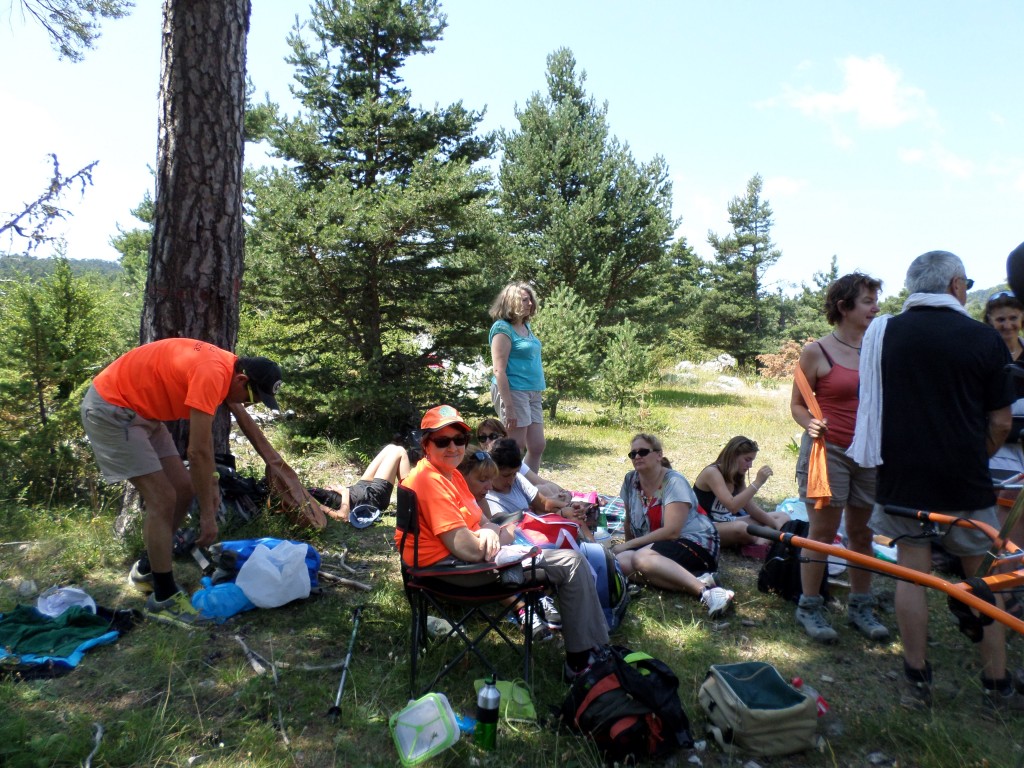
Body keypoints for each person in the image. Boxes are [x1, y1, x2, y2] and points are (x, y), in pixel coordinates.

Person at [853, 250, 1022, 712]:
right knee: (985, 581)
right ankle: (997, 684)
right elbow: (1002, 423)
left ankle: (916, 680)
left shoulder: (884, 334)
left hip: (902, 475)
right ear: (954, 287)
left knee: (913, 576)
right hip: (964, 479)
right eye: (965, 283)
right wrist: (975, 455)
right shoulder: (983, 339)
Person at [397, 405, 609, 680]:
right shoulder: (429, 481)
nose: (453, 447)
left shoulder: (451, 475)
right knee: (570, 562)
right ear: (426, 443)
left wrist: (488, 531)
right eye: (442, 441)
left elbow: (484, 521)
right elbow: (468, 548)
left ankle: (595, 648)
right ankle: (582, 663)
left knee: (567, 557)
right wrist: (491, 533)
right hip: (451, 571)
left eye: (459, 440)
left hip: (465, 561)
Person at [80, 338, 283, 626]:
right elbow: (198, 451)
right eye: (251, 396)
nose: (248, 404)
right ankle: (163, 597)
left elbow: (203, 456)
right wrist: (208, 517)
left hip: (143, 413)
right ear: (241, 378)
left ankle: (148, 569)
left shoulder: (224, 370)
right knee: (162, 498)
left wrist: (211, 482)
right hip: (113, 410)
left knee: (184, 489)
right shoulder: (213, 374)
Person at [790, 272, 890, 643]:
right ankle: (810, 607)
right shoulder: (817, 351)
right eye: (868, 301)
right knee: (823, 534)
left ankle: (861, 605)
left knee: (862, 533)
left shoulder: (878, 349)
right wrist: (811, 423)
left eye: (875, 300)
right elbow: (798, 405)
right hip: (828, 452)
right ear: (844, 306)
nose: (876, 307)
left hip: (869, 452)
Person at [611, 434, 734, 619]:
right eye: (632, 454)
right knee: (621, 563)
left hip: (695, 543)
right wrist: (627, 547)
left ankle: (706, 592)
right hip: (657, 547)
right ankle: (699, 579)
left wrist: (628, 546)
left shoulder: (673, 481)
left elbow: (672, 531)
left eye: (643, 452)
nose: (637, 457)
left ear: (659, 455)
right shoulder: (630, 480)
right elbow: (628, 519)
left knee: (640, 559)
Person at [457, 447, 562, 639]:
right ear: (460, 477)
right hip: (469, 569)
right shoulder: (455, 503)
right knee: (512, 559)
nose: (488, 486)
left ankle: (536, 601)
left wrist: (500, 533)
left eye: (490, 479)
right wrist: (502, 533)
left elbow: (492, 527)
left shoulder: (477, 501)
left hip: (489, 557)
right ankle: (524, 608)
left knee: (520, 555)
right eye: (482, 480)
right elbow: (482, 542)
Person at [488, 282, 546, 473]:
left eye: (530, 299)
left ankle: (528, 488)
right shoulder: (502, 328)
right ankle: (503, 487)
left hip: (533, 391)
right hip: (513, 390)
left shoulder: (525, 326)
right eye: (524, 299)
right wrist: (509, 407)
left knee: (537, 445)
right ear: (511, 302)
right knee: (515, 446)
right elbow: (499, 370)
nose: (530, 303)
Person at [692, 436, 788, 549]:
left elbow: (750, 508)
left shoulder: (737, 475)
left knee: (782, 516)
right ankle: (762, 541)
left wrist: (775, 525)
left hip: (728, 521)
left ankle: (760, 544)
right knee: (741, 528)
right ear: (733, 456)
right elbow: (733, 506)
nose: (750, 465)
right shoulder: (712, 473)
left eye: (752, 460)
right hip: (706, 525)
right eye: (747, 460)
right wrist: (757, 483)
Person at [485, 438, 583, 525]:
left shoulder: (517, 479)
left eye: (514, 474)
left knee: (573, 514)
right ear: (491, 470)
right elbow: (503, 521)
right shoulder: (487, 495)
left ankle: (589, 544)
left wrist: (571, 506)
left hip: (533, 525)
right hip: (518, 535)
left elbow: (544, 504)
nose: (511, 480)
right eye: (506, 475)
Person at [308, 443, 411, 522]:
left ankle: (412, 502)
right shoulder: (314, 505)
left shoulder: (304, 495)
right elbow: (342, 516)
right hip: (373, 497)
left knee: (390, 447)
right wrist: (344, 492)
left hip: (360, 487)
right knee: (399, 451)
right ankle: (412, 505)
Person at [476, 417, 570, 502]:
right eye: (482, 438)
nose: (488, 442)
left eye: (493, 436)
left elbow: (539, 481)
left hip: (524, 503)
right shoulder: (478, 465)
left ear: (504, 437)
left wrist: (564, 492)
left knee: (546, 489)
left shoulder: (512, 461)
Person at [984, 290, 1024, 477]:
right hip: (998, 453)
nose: (1008, 325)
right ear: (990, 320)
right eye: (1001, 320)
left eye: (1013, 318)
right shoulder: (983, 357)